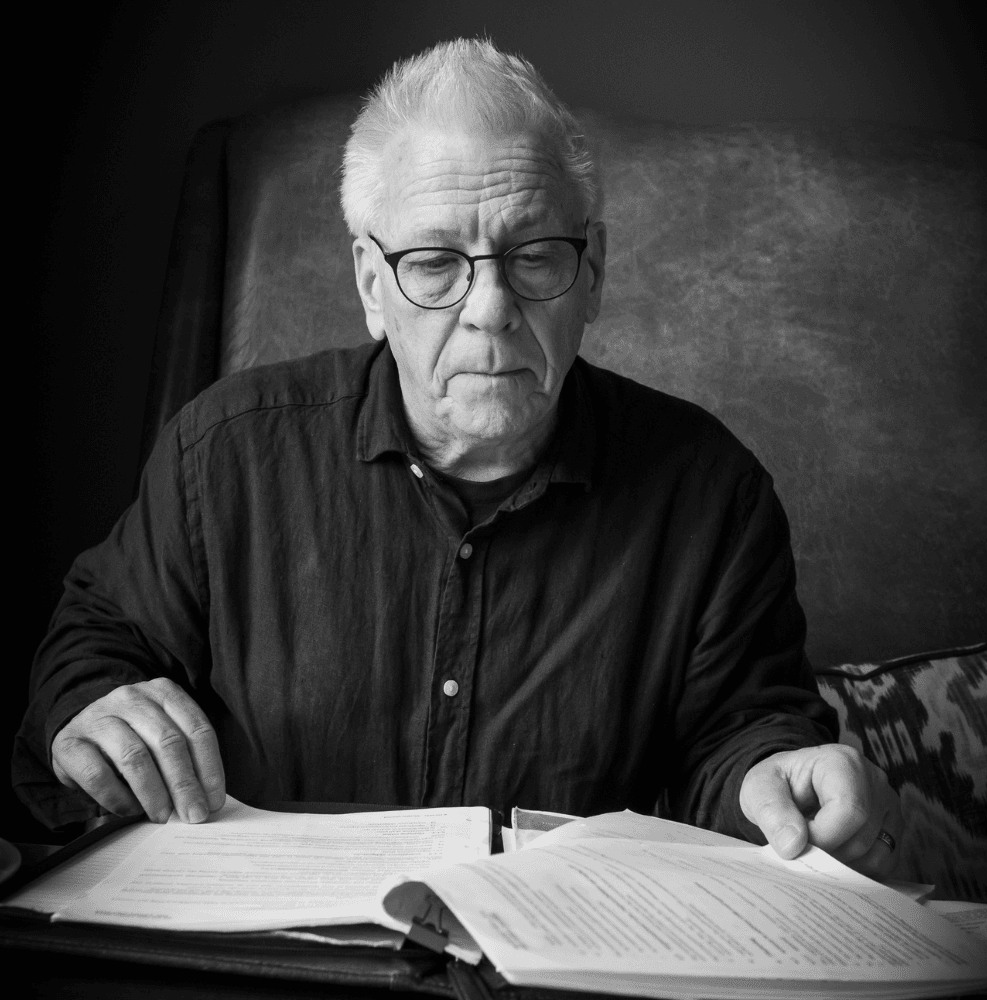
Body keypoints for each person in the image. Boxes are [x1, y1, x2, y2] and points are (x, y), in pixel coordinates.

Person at [14, 39, 900, 877]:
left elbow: (738, 734)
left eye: (535, 256)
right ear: (372, 284)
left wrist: (772, 778)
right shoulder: (223, 456)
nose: (489, 308)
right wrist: (89, 705)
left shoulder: (714, 496)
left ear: (593, 274)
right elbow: (100, 638)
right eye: (436, 263)